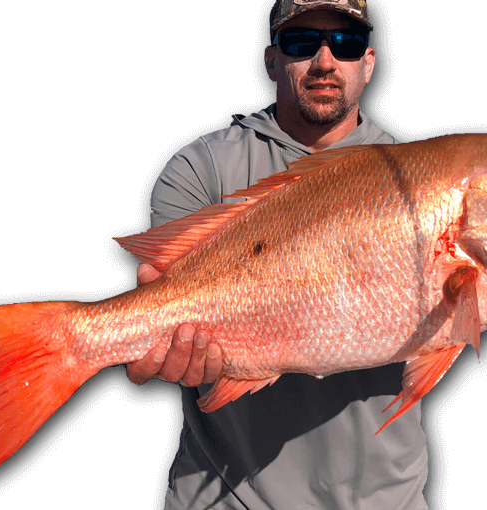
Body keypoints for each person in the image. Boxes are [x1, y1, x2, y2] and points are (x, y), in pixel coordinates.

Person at [129, 2, 429, 508]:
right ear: (270, 60)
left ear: (369, 62)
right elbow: (159, 303)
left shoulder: (415, 175)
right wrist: (156, 344)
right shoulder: (201, 168)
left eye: (347, 44)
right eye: (300, 42)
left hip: (386, 498)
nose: (325, 60)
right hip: (222, 498)